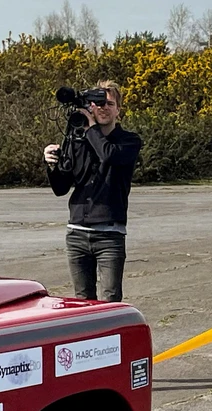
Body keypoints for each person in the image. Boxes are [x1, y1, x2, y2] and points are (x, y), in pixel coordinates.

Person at [44, 80, 142, 302]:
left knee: (110, 298)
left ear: (118, 109)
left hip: (110, 235)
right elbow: (61, 188)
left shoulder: (129, 141)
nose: (103, 108)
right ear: (90, 107)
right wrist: (51, 165)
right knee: (82, 300)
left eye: (109, 103)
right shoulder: (78, 140)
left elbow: (109, 155)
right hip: (77, 233)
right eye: (98, 104)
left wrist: (90, 128)